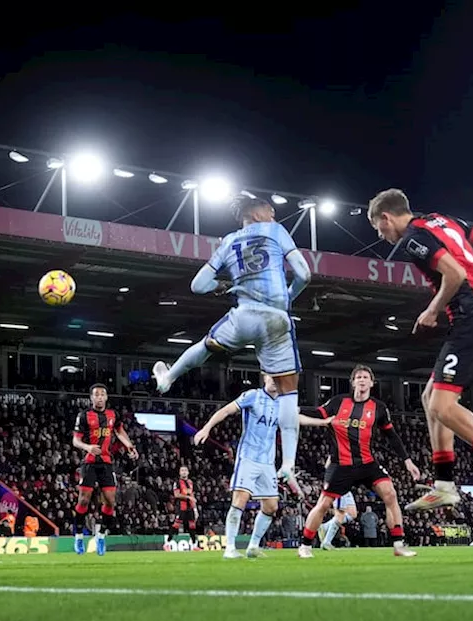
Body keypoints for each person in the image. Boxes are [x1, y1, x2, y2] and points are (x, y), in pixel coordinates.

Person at [367, 188, 473, 513]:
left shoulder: (413, 239)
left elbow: (454, 274)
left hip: (472, 318)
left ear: (386, 217)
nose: (381, 235)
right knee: (431, 399)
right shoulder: (442, 221)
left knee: (442, 404)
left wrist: (433, 310)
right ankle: (444, 485)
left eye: (378, 228)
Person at [153, 196, 312, 492]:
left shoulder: (229, 241)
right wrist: (289, 296)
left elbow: (198, 286)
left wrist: (222, 286)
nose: (274, 213)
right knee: (289, 393)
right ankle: (288, 464)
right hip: (276, 317)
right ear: (257, 212)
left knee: (206, 344)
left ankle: (169, 377)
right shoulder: (276, 230)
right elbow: (304, 274)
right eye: (270, 208)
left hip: (243, 316)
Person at [194, 374, 331, 559]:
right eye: (271, 377)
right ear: (264, 378)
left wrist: (323, 422)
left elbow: (296, 419)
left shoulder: (283, 404)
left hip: (268, 463)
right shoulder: (253, 396)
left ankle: (253, 546)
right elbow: (226, 410)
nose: (274, 380)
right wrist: (206, 427)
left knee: (271, 507)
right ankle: (230, 549)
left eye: (278, 378)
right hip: (248, 458)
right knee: (239, 501)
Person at [296, 364, 421, 559]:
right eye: (358, 377)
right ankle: (305, 545)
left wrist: (407, 461)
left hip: (367, 464)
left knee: (390, 494)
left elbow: (392, 436)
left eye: (365, 377)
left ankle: (398, 544)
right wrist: (293, 410)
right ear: (353, 382)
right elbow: (316, 414)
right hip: (340, 465)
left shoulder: (378, 408)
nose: (362, 380)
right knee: (323, 504)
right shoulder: (338, 402)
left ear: (371, 383)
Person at [71, 383, 139, 556]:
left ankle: (100, 536)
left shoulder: (112, 415)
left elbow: (119, 431)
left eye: (102, 394)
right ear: (92, 398)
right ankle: (78, 536)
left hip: (107, 463)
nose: (99, 397)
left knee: (110, 501)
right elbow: (75, 441)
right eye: (96, 394)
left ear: (106, 397)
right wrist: (88, 447)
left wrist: (130, 446)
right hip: (90, 462)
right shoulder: (84, 415)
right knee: (84, 500)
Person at [318, 484, 358, 551]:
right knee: (340, 516)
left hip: (347, 489)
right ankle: (326, 542)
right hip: (340, 487)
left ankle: (325, 526)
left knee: (352, 514)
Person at [172, 466, 197, 536]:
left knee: (192, 525)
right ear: (180, 473)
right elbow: (176, 495)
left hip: (190, 507)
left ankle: (194, 544)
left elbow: (192, 496)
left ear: (188, 472)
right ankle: (168, 542)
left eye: (185, 470)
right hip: (181, 506)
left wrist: (195, 509)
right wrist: (188, 497)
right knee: (176, 524)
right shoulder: (177, 482)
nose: (184, 472)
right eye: (182, 470)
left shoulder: (191, 482)